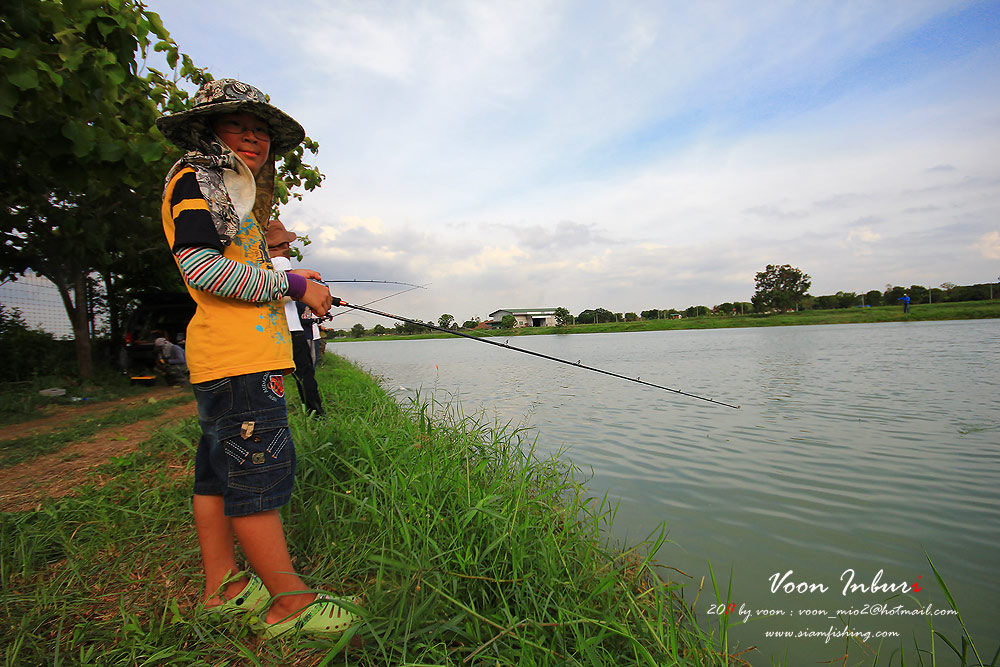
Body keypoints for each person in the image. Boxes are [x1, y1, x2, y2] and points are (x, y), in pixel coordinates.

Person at [156, 78, 357, 640]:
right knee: (257, 482)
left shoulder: (225, 194)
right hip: (239, 361)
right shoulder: (196, 179)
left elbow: (236, 267)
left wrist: (288, 272)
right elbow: (201, 269)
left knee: (218, 479)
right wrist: (290, 283)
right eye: (237, 125)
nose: (253, 138)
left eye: (261, 130)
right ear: (206, 130)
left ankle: (225, 587)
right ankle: (290, 605)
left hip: (228, 357)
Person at [265, 219, 325, 416]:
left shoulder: (258, 264)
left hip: (269, 329)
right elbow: (286, 289)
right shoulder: (280, 260)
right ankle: (315, 415)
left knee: (270, 381)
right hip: (290, 329)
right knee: (306, 377)